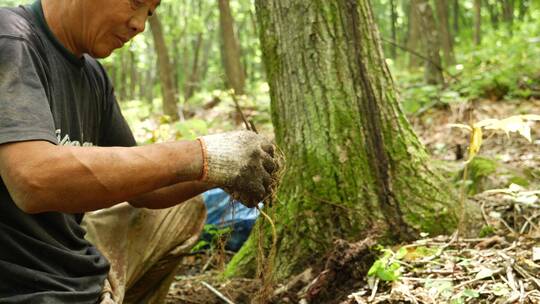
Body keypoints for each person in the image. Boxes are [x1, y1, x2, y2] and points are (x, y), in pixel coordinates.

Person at [0, 0, 279, 303]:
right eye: (135, 2)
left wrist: (224, 169)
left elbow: (144, 193)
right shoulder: (11, 38)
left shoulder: (93, 77)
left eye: (149, 12)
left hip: (74, 273)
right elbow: (33, 179)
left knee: (184, 211)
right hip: (28, 289)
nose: (139, 25)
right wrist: (201, 154)